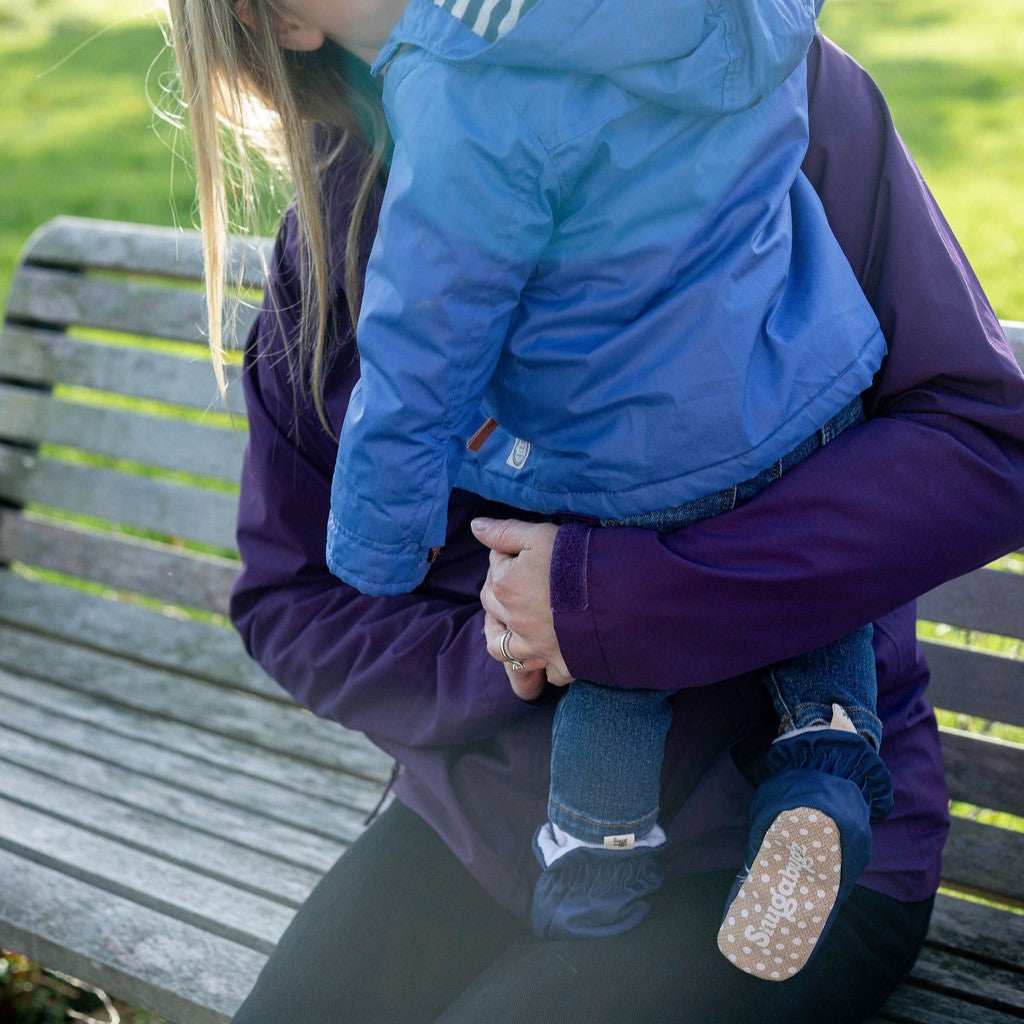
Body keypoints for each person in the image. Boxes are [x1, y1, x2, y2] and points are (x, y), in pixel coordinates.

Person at [167, 1, 1024, 1019]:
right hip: (492, 823)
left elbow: (984, 439)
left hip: (783, 814)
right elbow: (293, 597)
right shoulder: (338, 229)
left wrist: (614, 609)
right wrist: (517, 649)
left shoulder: (742, 65)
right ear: (283, 22)